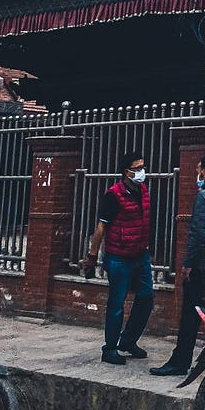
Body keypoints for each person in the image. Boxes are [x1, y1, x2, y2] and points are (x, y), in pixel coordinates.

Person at [82, 149, 154, 365]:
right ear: (126, 172)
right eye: (137, 168)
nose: (142, 172)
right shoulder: (113, 195)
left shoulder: (143, 191)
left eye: (143, 167)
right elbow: (101, 227)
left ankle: (128, 340)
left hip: (140, 254)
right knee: (116, 304)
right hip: (119, 257)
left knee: (146, 297)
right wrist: (92, 256)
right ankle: (110, 348)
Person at [151, 157, 205, 378]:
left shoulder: (204, 196)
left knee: (190, 315)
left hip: (201, 267)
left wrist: (188, 263)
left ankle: (180, 360)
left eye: (199, 170)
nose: (198, 175)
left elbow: (198, 233)